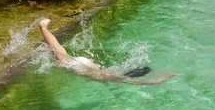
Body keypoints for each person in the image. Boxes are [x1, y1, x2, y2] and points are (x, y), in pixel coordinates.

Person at [39, 19, 176, 85]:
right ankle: (43, 27)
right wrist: (158, 81)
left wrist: (161, 76)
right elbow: (136, 83)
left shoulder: (112, 73)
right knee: (58, 53)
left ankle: (44, 30)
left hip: (83, 64)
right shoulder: (114, 77)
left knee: (59, 51)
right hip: (79, 66)